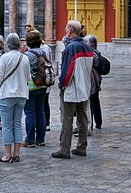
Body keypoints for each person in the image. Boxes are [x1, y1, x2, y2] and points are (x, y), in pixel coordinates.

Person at [52, 20, 94, 159]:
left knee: (67, 119)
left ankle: (64, 150)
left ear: (70, 31)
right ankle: (82, 147)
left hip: (72, 87)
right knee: (83, 119)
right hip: (85, 87)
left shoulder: (71, 47)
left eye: (66, 29)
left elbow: (68, 69)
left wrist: (62, 84)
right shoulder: (87, 47)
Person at [0, 32, 31, 163]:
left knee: (7, 125)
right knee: (17, 124)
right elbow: (28, 78)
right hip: (21, 94)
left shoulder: (4, 58)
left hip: (7, 95)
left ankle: (7, 154)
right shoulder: (24, 58)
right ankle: (17, 153)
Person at [23, 30, 50, 148]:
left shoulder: (28, 55)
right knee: (40, 111)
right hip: (43, 85)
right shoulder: (43, 52)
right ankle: (41, 139)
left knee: (30, 113)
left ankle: (30, 140)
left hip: (31, 86)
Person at [86, 35, 104, 129]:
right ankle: (98, 122)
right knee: (96, 100)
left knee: (91, 101)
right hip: (97, 78)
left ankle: (91, 124)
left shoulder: (91, 53)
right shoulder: (97, 51)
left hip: (92, 78)